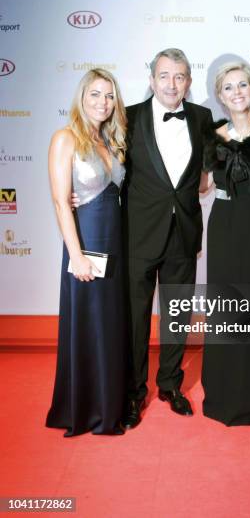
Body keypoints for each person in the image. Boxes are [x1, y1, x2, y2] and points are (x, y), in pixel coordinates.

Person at [121, 48, 212, 429]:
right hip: (138, 234)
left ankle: (170, 384)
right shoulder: (128, 118)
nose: (171, 84)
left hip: (183, 232)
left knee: (176, 315)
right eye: (164, 76)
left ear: (188, 81)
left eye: (179, 77)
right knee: (135, 318)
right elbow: (109, 169)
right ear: (151, 79)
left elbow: (209, 175)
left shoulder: (203, 118)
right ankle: (132, 390)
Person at [46, 69, 127, 436]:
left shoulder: (109, 140)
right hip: (87, 244)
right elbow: (62, 203)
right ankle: (87, 409)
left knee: (108, 326)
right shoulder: (65, 138)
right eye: (95, 94)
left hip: (115, 242)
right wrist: (76, 256)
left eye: (109, 96)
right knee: (88, 323)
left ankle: (110, 404)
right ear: (82, 97)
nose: (103, 103)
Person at [201, 61, 250, 426]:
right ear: (219, 96)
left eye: (242, 85)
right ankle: (222, 395)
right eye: (228, 87)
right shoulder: (211, 136)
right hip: (224, 228)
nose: (236, 92)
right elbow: (198, 185)